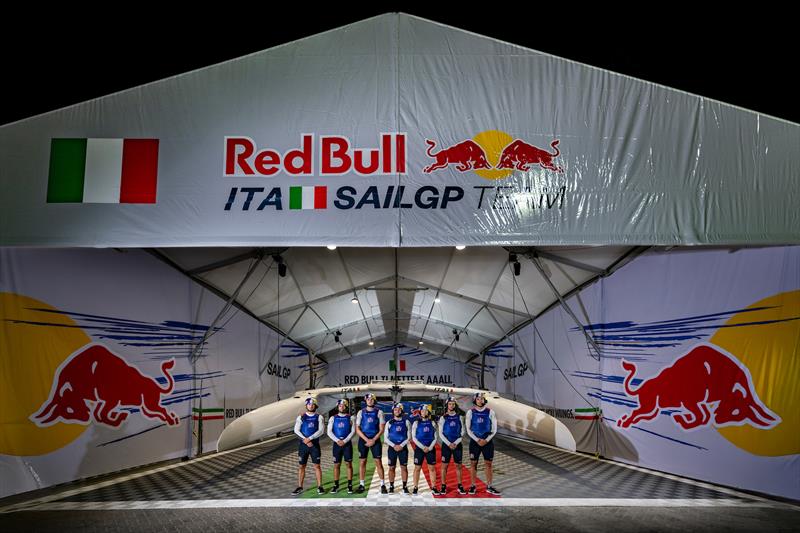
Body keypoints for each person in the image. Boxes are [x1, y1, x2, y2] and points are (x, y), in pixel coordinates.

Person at [466, 391, 500, 495]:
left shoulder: (490, 412)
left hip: (487, 442)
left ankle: (489, 486)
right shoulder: (470, 412)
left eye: (482, 399)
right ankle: (473, 486)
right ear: (475, 400)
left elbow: (494, 429)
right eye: (478, 399)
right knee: (473, 463)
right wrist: (477, 440)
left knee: (488, 464)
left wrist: (486, 440)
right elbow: (468, 429)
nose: (480, 400)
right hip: (475, 442)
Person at [292, 397, 326, 496]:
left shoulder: (319, 417)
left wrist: (310, 438)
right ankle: (299, 486)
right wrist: (305, 440)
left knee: (317, 466)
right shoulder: (301, 417)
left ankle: (320, 486)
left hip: (314, 445)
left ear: (315, 406)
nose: (310, 406)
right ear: (306, 406)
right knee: (301, 466)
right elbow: (296, 430)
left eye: (312, 404)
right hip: (303, 446)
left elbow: (321, 431)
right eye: (309, 404)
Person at [355, 393, 387, 493]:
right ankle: (361, 484)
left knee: (378, 462)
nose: (370, 400)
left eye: (372, 399)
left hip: (375, 440)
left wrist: (373, 440)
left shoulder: (379, 412)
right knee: (362, 462)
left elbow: (381, 429)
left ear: (374, 400)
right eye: (368, 399)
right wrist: (367, 440)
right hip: (363, 440)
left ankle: (382, 485)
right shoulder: (361, 412)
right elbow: (357, 429)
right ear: (365, 401)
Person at [438, 396, 467, 495]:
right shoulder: (443, 418)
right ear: (447, 405)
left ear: (455, 405)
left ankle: (460, 485)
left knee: (458, 466)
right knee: (444, 466)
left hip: (457, 444)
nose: (451, 405)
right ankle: (443, 486)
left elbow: (463, 432)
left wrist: (456, 442)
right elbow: (440, 433)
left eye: (453, 404)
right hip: (447, 445)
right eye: (450, 404)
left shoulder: (460, 417)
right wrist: (449, 443)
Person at [327, 398, 355, 494]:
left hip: (347, 445)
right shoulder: (332, 418)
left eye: (343, 405)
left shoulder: (351, 418)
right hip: (337, 445)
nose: (341, 407)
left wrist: (345, 440)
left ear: (346, 407)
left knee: (348, 464)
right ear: (337, 407)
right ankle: (336, 485)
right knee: (336, 465)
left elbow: (353, 431)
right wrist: (338, 440)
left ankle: (350, 485)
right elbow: (329, 432)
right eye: (340, 406)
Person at [411, 404, 440, 495]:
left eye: (426, 411)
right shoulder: (416, 423)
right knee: (417, 468)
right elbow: (414, 437)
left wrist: (430, 447)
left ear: (428, 412)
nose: (424, 412)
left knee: (432, 468)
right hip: (419, 448)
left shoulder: (432, 423)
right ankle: (415, 487)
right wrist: (422, 447)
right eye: (422, 411)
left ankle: (434, 487)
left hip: (430, 448)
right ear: (420, 412)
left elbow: (435, 437)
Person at [383, 402, 412, 494]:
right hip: (392, 448)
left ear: (402, 411)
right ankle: (391, 486)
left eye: (399, 409)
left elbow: (409, 437)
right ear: (393, 411)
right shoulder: (389, 423)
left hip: (403, 449)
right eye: (395, 409)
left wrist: (401, 445)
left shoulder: (406, 422)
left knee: (404, 467)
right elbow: (385, 438)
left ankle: (405, 486)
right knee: (391, 467)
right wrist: (394, 446)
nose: (397, 411)